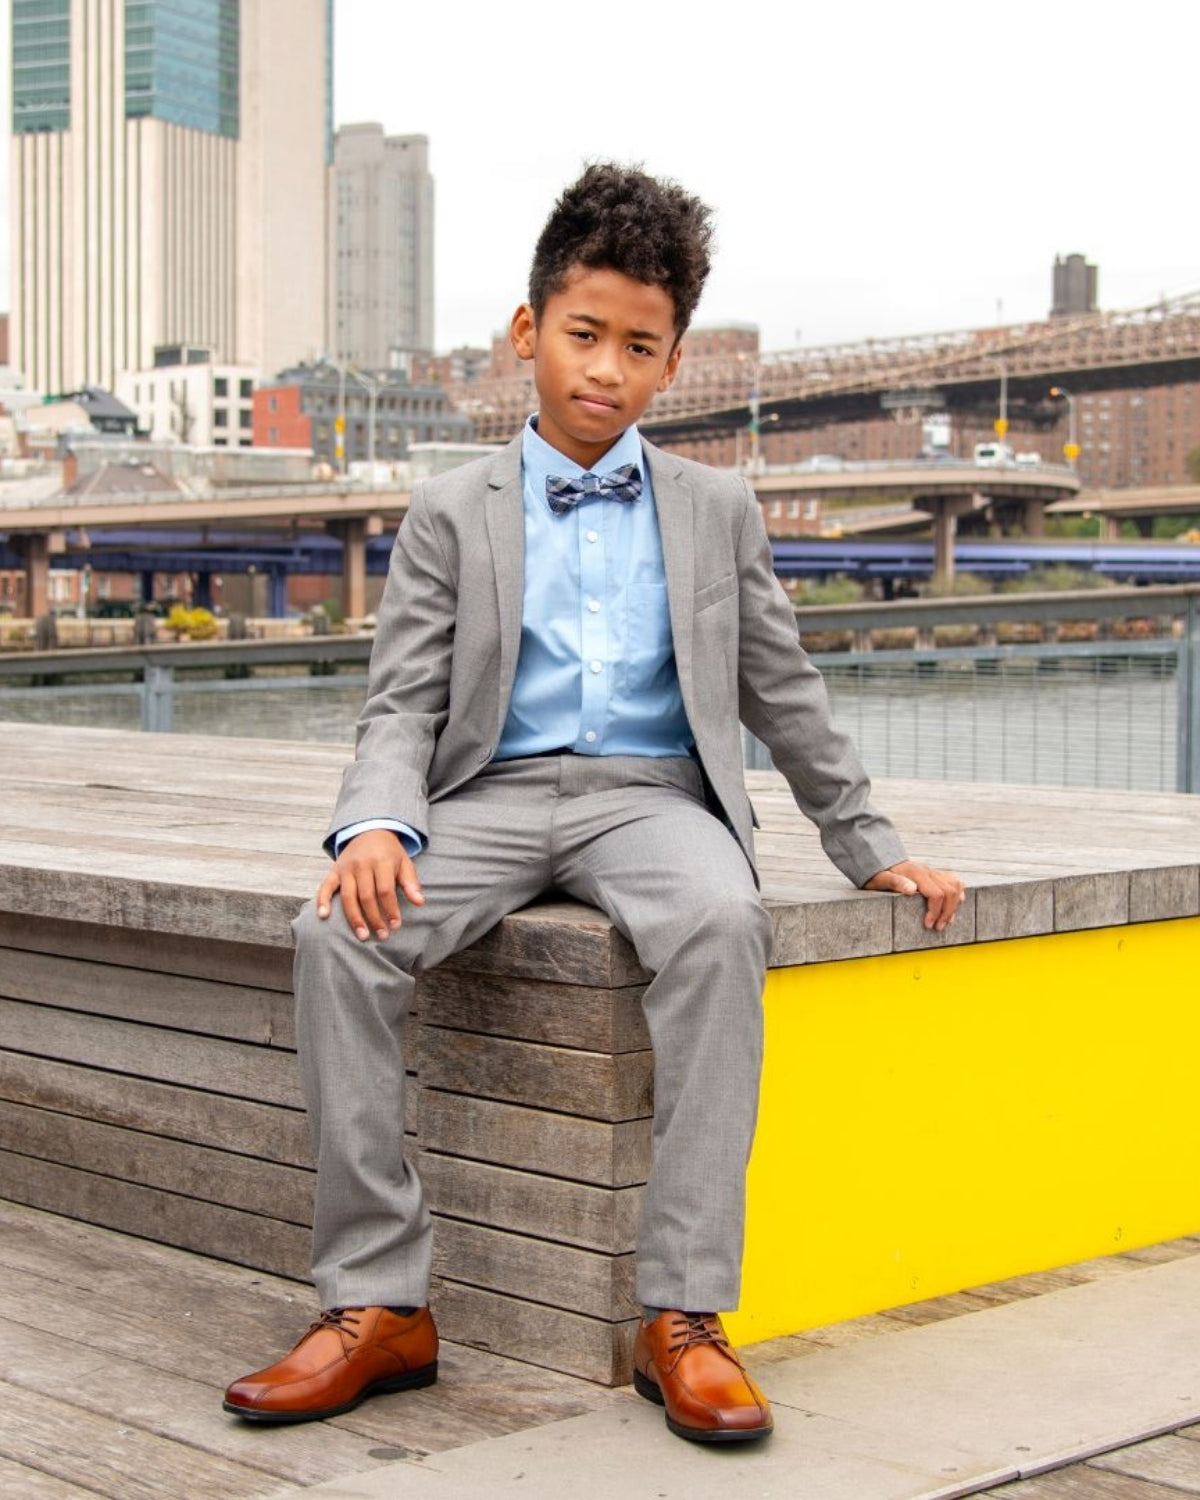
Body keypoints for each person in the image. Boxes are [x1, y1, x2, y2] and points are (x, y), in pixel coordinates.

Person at [224, 163, 964, 1444]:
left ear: (672, 363)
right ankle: (379, 1301)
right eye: (584, 335)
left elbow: (783, 691)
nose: (606, 370)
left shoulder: (715, 509)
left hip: (652, 797)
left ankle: (680, 1313)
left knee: (726, 927)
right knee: (334, 939)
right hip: (487, 795)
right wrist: (380, 824)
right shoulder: (452, 509)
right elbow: (398, 701)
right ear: (528, 332)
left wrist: (870, 845)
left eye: (639, 346)